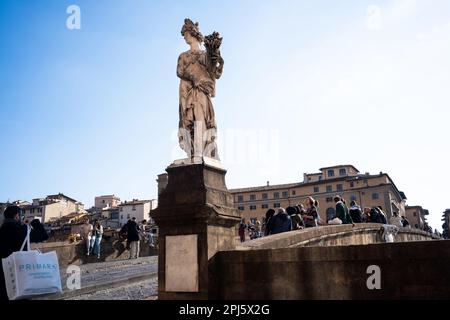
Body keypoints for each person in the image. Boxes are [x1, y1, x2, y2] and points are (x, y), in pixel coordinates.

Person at [0, 206, 49, 300]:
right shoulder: (22, 230)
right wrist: (33, 222)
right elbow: (43, 235)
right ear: (17, 216)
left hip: (4, 277)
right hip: (20, 276)